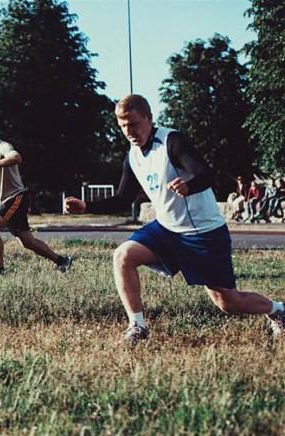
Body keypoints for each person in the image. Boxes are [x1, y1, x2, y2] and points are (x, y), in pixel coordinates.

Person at [64, 94, 285, 344]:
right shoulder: (133, 156)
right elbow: (123, 198)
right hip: (167, 230)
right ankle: (138, 326)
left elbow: (205, 174)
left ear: (149, 118)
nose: (129, 131)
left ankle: (278, 310)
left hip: (203, 233)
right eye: (123, 126)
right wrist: (86, 206)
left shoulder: (172, 141)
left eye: (134, 124)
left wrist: (189, 185)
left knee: (228, 302)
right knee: (123, 255)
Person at [0, 115, 72, 276]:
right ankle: (62, 261)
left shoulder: (3, 146)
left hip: (16, 197)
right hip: (4, 201)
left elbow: (17, 158)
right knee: (27, 242)